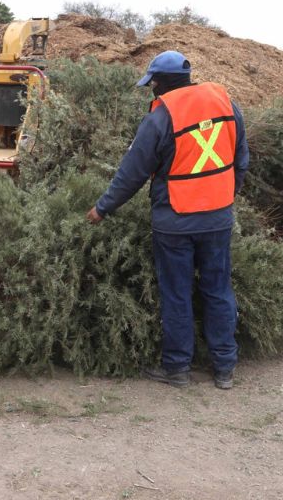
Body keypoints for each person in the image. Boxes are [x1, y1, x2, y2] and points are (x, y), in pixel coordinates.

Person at [86, 50, 249, 391]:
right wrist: (223, 197)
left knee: (177, 294)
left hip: (175, 222)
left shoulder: (161, 117)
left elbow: (132, 173)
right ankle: (224, 368)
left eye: (152, 84)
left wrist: (103, 208)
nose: (151, 90)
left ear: (158, 83)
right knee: (218, 290)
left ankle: (176, 368)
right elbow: (241, 160)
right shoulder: (225, 103)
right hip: (218, 218)